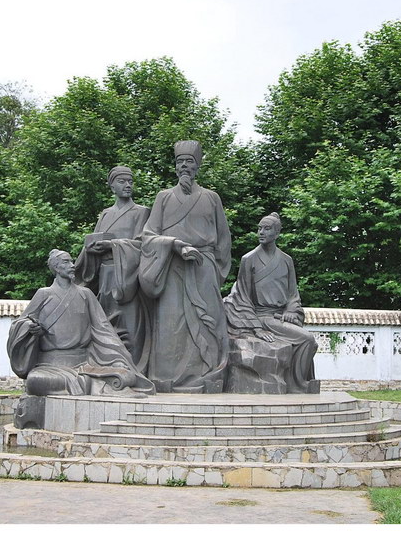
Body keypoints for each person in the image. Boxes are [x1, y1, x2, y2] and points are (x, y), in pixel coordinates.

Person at [138, 140, 231, 393]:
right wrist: (175, 245)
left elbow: (224, 240)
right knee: (171, 321)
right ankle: (166, 378)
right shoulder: (164, 197)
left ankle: (208, 375)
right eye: (180, 161)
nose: (184, 166)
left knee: (207, 320)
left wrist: (215, 271)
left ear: (197, 165)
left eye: (189, 161)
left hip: (203, 268)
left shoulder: (211, 198)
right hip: (171, 266)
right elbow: (148, 235)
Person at [7, 249, 155, 397]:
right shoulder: (44, 294)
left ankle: (88, 382)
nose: (72, 266)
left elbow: (103, 329)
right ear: (56, 267)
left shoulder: (86, 294)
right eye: (66, 262)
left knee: (126, 375)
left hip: (85, 363)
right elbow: (21, 322)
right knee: (35, 381)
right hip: (50, 366)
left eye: (72, 262)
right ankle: (91, 384)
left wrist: (117, 356)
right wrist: (30, 327)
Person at [223, 213, 319, 393]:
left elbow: (293, 294)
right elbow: (242, 296)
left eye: (267, 229)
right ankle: (298, 385)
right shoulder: (248, 259)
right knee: (307, 339)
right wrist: (256, 328)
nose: (261, 232)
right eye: (259, 228)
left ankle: (296, 382)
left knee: (309, 343)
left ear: (277, 232)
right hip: (261, 317)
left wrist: (291, 311)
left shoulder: (286, 260)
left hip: (280, 316)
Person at [74, 166, 152, 371]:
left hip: (127, 277)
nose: (127, 185)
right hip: (105, 277)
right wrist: (90, 249)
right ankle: (110, 368)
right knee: (106, 327)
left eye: (130, 182)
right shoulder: (105, 214)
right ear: (111, 186)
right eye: (122, 181)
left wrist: (112, 245)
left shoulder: (141, 212)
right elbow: (92, 241)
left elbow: (142, 244)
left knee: (130, 327)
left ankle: (135, 370)